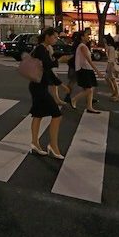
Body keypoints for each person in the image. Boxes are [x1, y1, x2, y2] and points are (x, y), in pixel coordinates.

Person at [29, 27, 66, 159]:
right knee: (57, 114)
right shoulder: (41, 49)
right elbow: (47, 65)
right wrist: (59, 61)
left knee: (38, 114)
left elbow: (47, 71)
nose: (56, 39)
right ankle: (53, 146)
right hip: (38, 87)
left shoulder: (42, 49)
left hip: (38, 86)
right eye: (54, 37)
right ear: (47, 36)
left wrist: (61, 84)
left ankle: (35, 143)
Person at [69, 30, 105, 114]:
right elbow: (89, 60)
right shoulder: (82, 46)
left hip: (87, 69)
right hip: (83, 70)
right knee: (89, 90)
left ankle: (89, 107)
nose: (88, 37)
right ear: (82, 37)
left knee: (90, 89)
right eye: (86, 35)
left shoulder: (84, 46)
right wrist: (97, 71)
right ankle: (74, 99)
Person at [104, 35, 119, 102]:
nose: (104, 40)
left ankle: (116, 94)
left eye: (105, 39)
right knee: (111, 79)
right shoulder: (110, 47)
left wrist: (108, 68)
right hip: (111, 65)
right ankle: (115, 94)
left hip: (111, 65)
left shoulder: (111, 48)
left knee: (112, 80)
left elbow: (111, 60)